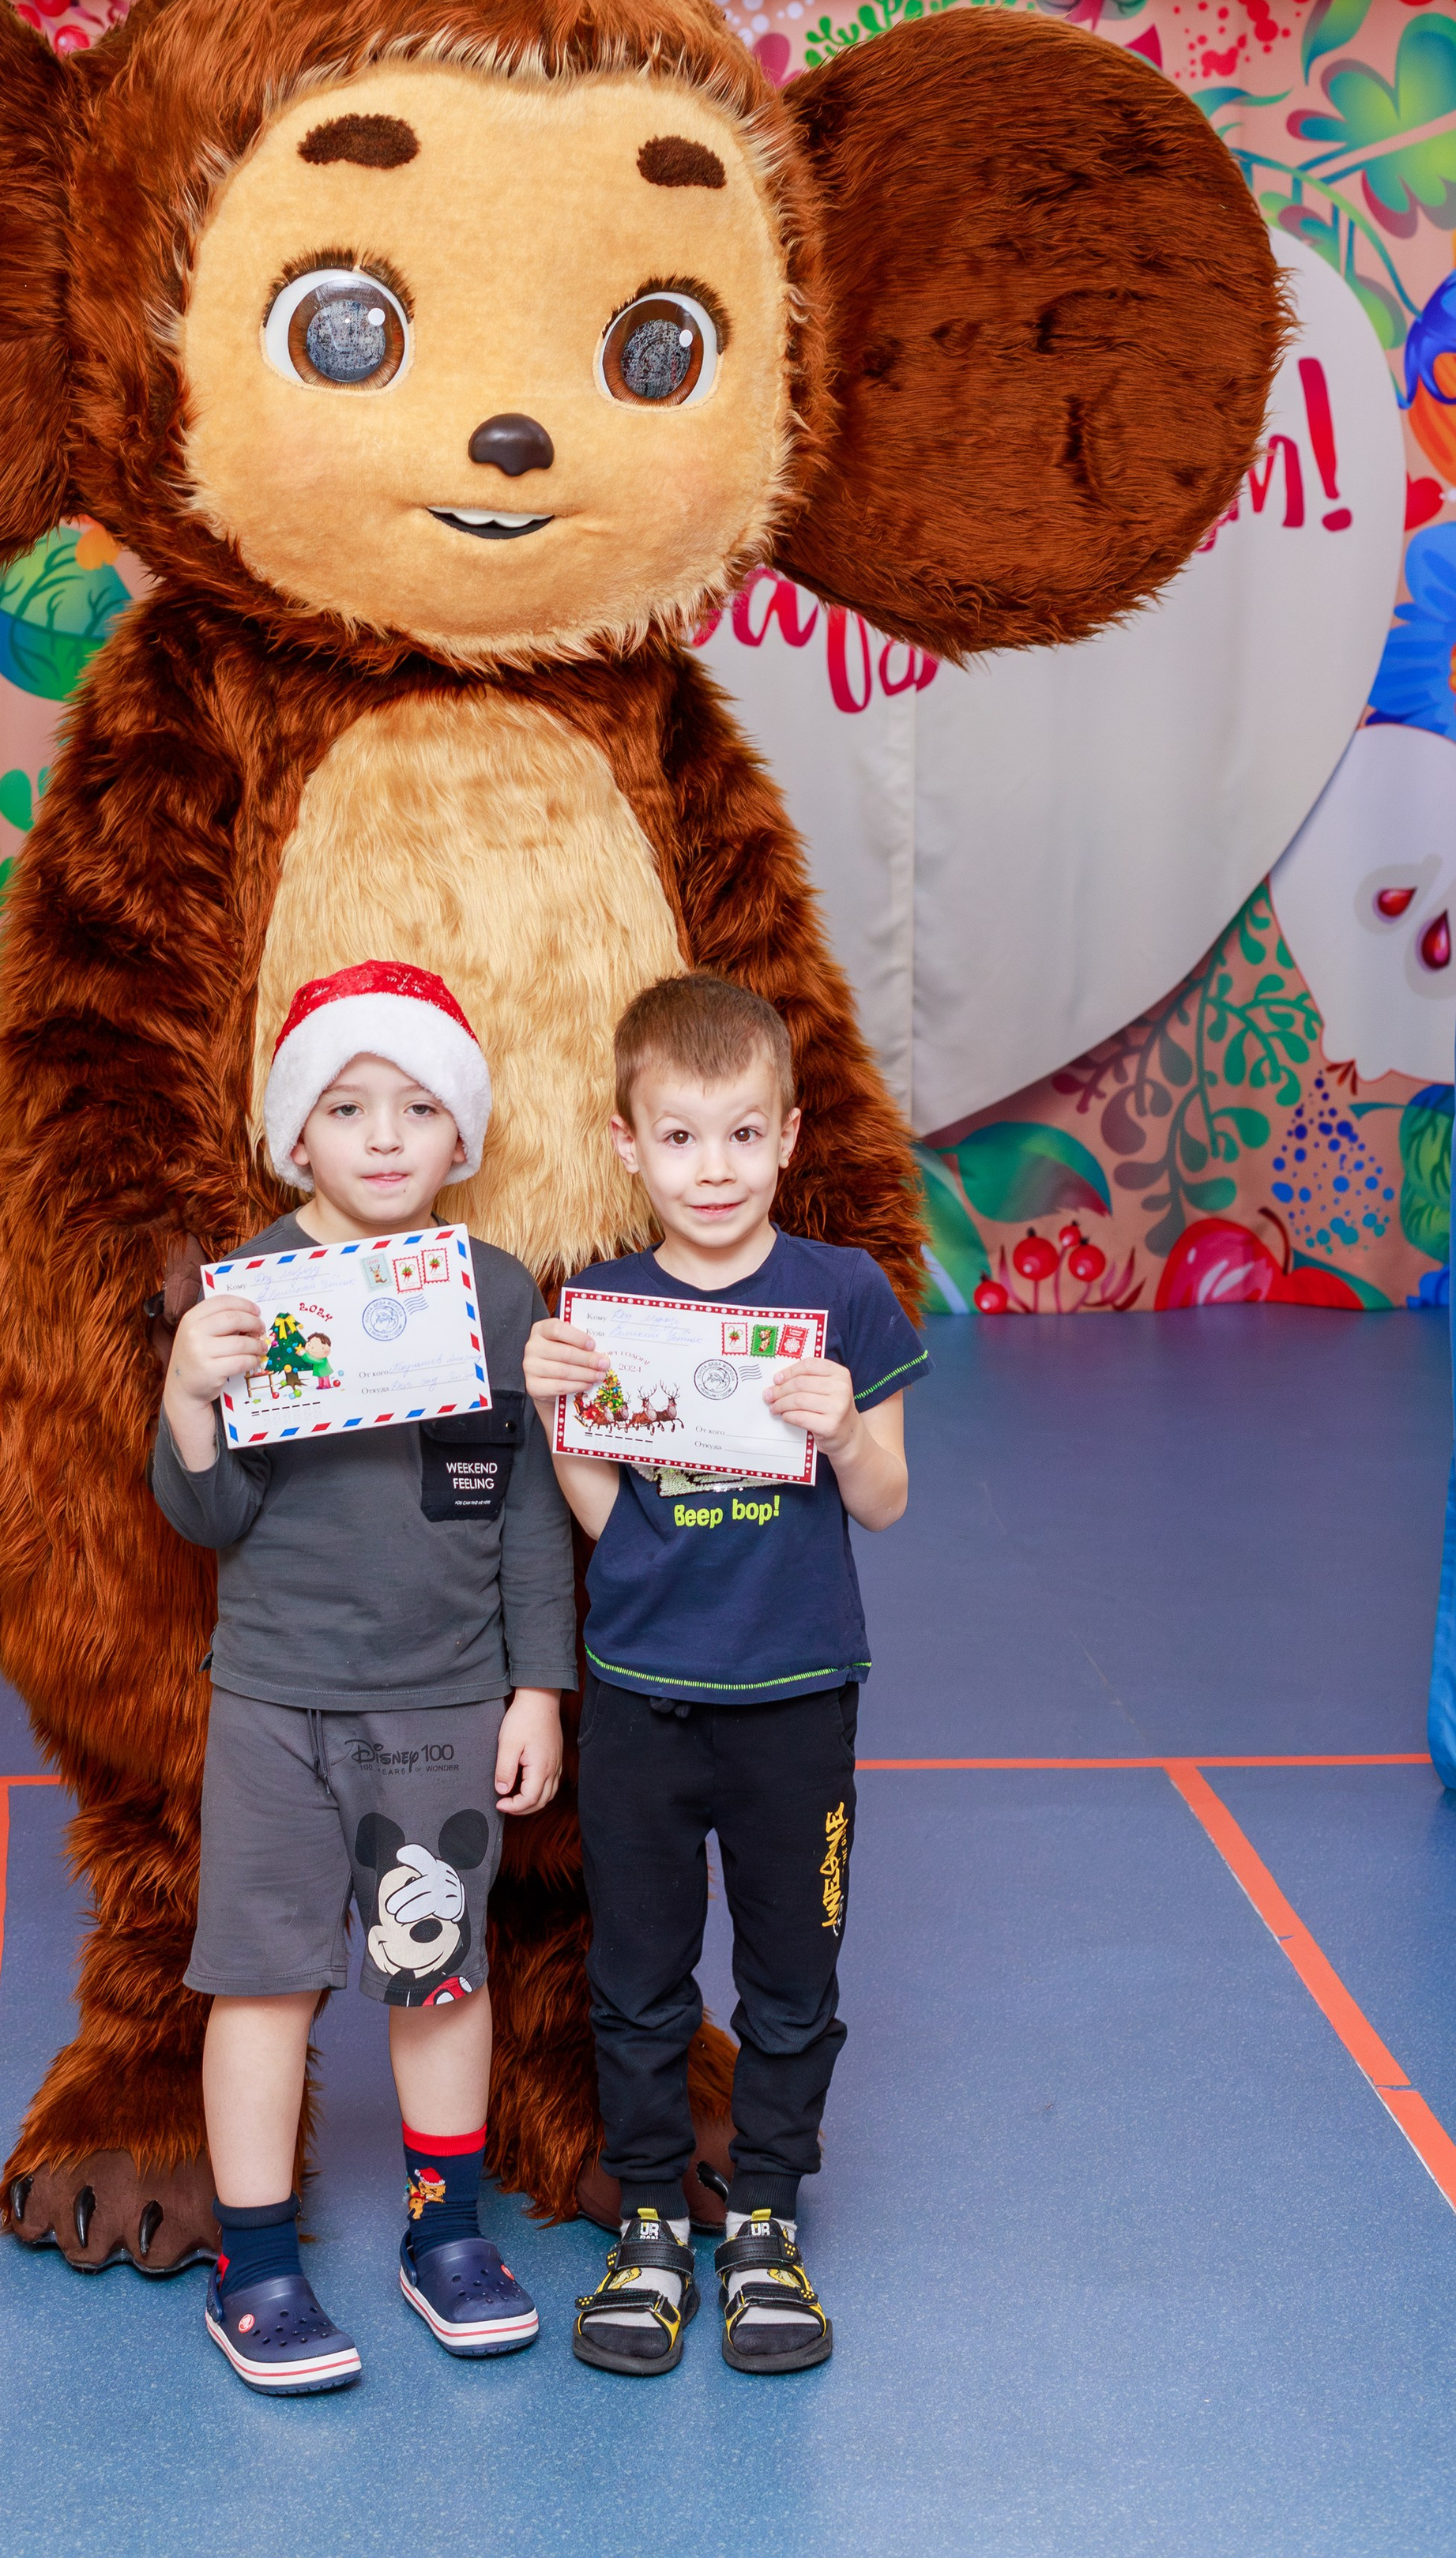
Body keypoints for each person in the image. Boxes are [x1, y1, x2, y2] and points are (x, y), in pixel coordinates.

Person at [152, 959, 577, 2396]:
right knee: (265, 1986)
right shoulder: (254, 1293)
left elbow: (522, 1511)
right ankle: (255, 2260)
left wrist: (536, 1687)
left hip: (444, 1704)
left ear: (463, 1137)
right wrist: (188, 1399)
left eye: (416, 1107)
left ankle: (443, 2235)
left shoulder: (496, 1290)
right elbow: (208, 1522)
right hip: (274, 1702)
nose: (384, 1135)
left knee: (434, 1977)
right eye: (346, 1105)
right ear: (296, 1135)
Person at [523, 972, 926, 2380]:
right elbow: (596, 1512)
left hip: (800, 1701)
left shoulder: (840, 1294)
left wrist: (841, 1433)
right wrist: (560, 1408)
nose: (713, 1168)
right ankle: (649, 2225)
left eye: (742, 1137)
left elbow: (884, 1501)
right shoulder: (605, 1307)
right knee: (636, 1979)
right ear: (628, 1143)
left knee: (791, 1981)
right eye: (681, 1138)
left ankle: (764, 2222)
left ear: (789, 1139)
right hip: (641, 1694)